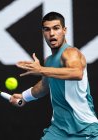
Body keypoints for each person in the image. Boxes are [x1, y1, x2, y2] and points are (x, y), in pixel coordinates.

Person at [10, 12, 98, 140]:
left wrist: (41, 69)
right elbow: (44, 86)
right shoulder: (49, 61)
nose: (51, 34)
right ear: (43, 33)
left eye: (56, 28)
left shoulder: (71, 53)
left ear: (64, 30)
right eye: (47, 29)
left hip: (85, 129)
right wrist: (24, 97)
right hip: (58, 130)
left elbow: (77, 73)